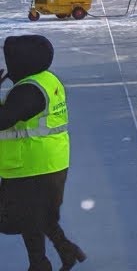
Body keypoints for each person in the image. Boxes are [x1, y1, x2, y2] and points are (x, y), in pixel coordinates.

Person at [0, 34, 87, 271]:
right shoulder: (47, 80)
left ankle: (40, 265)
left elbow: (4, 119)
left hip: (29, 164)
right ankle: (64, 253)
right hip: (51, 161)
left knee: (18, 218)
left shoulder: (28, 90)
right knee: (41, 215)